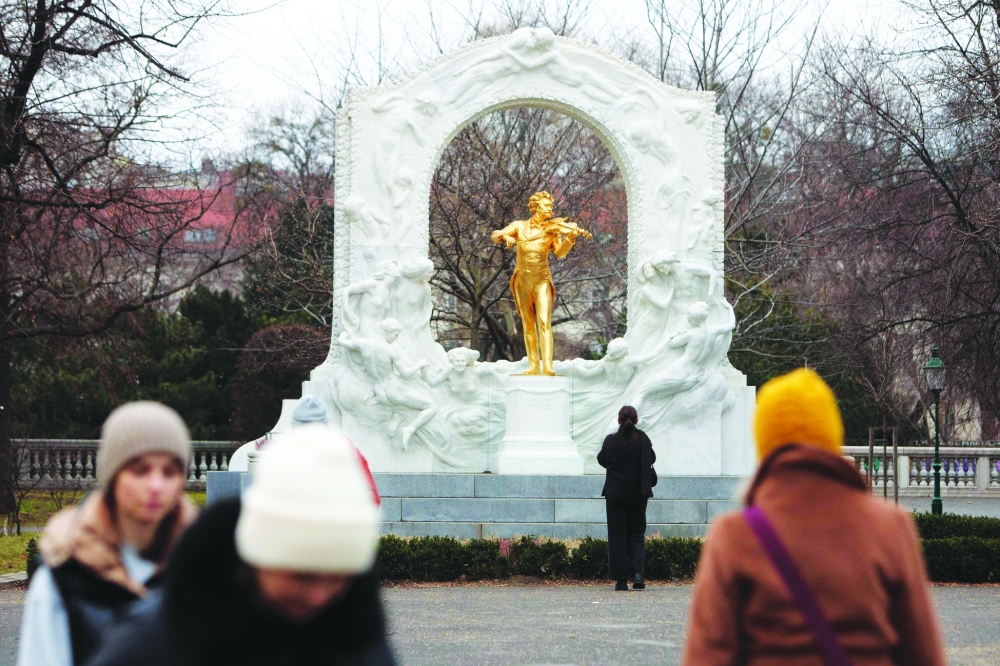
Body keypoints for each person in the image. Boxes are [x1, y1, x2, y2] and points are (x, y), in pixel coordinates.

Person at [681, 368, 946, 666]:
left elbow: (707, 657)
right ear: (832, 436)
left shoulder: (734, 535)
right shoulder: (890, 526)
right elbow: (924, 655)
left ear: (764, 444)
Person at [85, 422, 396, 666]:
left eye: (339, 576)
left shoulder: (360, 640)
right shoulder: (153, 644)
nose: (319, 596)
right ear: (257, 556)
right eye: (303, 575)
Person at [17, 402, 198, 666]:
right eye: (140, 470)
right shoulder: (63, 577)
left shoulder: (204, 569)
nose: (157, 485)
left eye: (170, 471)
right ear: (112, 476)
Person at [597, 405, 656, 592]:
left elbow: (602, 460)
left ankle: (621, 580)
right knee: (637, 535)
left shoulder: (611, 441)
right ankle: (638, 576)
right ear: (636, 420)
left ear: (618, 420)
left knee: (617, 536)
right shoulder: (643, 439)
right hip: (639, 494)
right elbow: (652, 458)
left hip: (615, 495)